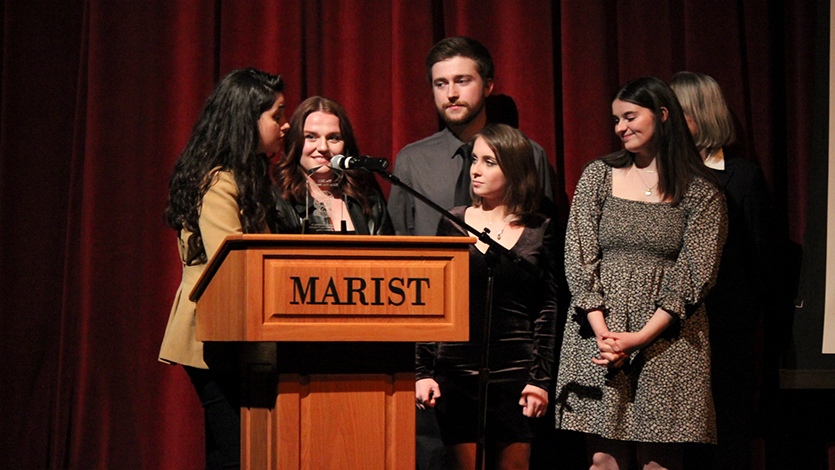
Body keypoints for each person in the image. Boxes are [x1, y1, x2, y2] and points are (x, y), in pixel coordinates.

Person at [554, 77, 728, 470]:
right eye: (616, 120)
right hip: (598, 332)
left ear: (662, 115)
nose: (620, 128)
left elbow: (695, 272)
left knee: (659, 462)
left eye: (629, 116)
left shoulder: (701, 190)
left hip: (669, 338)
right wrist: (605, 334)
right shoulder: (598, 176)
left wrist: (641, 337)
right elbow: (578, 256)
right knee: (603, 461)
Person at [158, 68, 288, 469]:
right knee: (241, 452)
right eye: (276, 115)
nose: (285, 125)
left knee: (226, 450)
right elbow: (230, 264)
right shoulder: (219, 181)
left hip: (235, 336)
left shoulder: (249, 177)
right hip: (215, 336)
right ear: (247, 120)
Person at [415, 124, 559, 470]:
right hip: (457, 371)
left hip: (515, 371)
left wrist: (539, 380)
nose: (476, 170)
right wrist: (422, 370)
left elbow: (548, 307)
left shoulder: (540, 228)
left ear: (514, 169)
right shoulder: (454, 221)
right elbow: (434, 299)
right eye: (474, 160)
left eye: (489, 162)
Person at [670, 72, 774, 470]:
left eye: (676, 113)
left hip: (723, 337)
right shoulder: (653, 173)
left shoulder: (742, 177)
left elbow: (762, 261)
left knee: (726, 442)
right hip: (667, 333)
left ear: (701, 115)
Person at [387, 36, 554, 238]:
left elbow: (544, 240)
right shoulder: (412, 160)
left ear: (487, 86)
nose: (451, 93)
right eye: (440, 84)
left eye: (462, 81)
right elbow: (397, 241)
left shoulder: (528, 155)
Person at [274, 96, 393, 235]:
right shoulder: (278, 202)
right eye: (311, 137)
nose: (323, 147)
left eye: (333, 138)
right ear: (295, 143)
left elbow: (388, 254)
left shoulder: (368, 199)